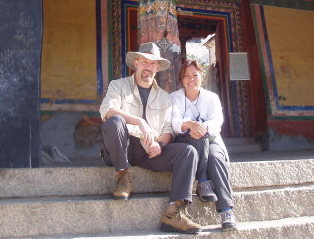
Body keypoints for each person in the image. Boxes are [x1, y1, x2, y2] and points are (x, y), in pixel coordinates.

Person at [99, 42, 202, 234]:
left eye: (153, 63)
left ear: (158, 67)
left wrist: (160, 145)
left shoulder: (164, 97)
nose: (148, 66)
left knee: (188, 151)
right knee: (114, 123)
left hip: (147, 151)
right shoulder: (118, 85)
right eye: (144, 61)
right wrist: (139, 122)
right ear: (136, 63)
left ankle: (173, 214)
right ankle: (123, 174)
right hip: (122, 146)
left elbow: (168, 129)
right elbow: (107, 111)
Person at [170, 59, 238, 232]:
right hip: (185, 140)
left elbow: (217, 121)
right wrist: (190, 125)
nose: (191, 79)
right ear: (181, 79)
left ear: (202, 77)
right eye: (186, 76)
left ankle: (226, 211)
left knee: (216, 157)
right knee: (196, 137)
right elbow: (175, 121)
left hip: (211, 138)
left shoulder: (211, 98)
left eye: (195, 75)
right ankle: (202, 180)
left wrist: (201, 127)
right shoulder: (174, 97)